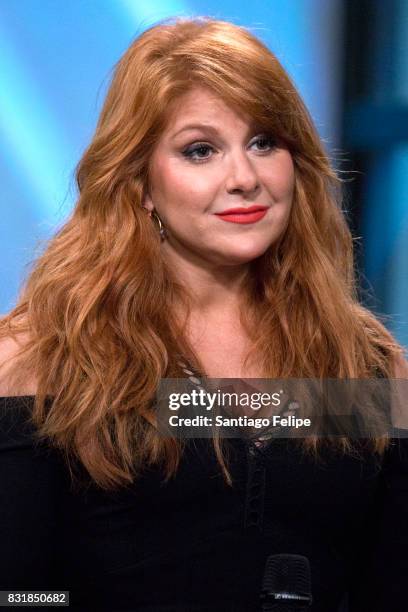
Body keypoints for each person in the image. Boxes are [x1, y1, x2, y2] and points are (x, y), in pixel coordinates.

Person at [0, 16, 407, 612]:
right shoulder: (46, 359)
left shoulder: (364, 368)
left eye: (265, 142)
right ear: (139, 179)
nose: (244, 178)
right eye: (201, 151)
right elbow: (17, 594)